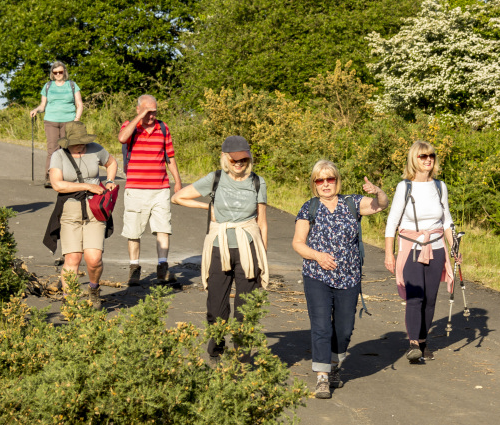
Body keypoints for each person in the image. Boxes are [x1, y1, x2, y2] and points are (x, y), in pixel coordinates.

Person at [292, 160, 388, 399]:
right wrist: (318, 256)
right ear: (314, 184)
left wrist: (378, 192)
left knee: (344, 329)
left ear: (337, 180)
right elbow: (297, 243)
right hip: (317, 275)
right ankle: (322, 377)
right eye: (320, 180)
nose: (325, 184)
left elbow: (380, 206)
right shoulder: (309, 207)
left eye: (330, 179)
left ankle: (335, 365)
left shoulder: (351, 203)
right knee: (322, 326)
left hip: (349, 276)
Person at [171, 136, 269, 359]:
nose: (239, 163)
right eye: (234, 160)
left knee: (247, 305)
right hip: (219, 245)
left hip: (248, 245)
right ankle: (217, 343)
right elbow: (178, 198)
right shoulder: (215, 179)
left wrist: (262, 255)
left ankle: (242, 352)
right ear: (225, 158)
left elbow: (262, 222)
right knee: (216, 305)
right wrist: (207, 206)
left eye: (243, 159)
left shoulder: (257, 182)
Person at [384, 141, 455, 364]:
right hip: (411, 248)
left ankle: (423, 342)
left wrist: (454, 248)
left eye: (431, 156)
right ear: (414, 159)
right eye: (423, 156)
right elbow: (392, 222)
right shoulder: (404, 187)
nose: (428, 160)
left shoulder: (439, 187)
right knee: (416, 297)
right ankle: (414, 344)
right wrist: (389, 253)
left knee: (431, 299)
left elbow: (447, 220)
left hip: (436, 248)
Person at [42, 121, 117, 309]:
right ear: (67, 141)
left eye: (83, 141)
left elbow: (112, 162)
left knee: (94, 259)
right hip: (70, 209)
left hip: (95, 209)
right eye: (77, 142)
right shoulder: (58, 156)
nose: (81, 145)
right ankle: (70, 301)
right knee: (72, 258)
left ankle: (93, 290)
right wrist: (87, 186)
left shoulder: (96, 149)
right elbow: (57, 184)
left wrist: (109, 180)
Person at [117, 94, 182, 288]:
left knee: (163, 228)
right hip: (135, 188)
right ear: (138, 110)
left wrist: (177, 181)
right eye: (148, 111)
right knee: (134, 230)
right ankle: (134, 268)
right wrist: (140, 117)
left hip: (160, 188)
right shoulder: (130, 126)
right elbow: (122, 138)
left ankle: (162, 267)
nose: (152, 116)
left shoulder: (163, 128)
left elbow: (170, 156)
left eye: (154, 112)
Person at [29, 61, 84, 188]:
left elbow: (79, 104)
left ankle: (68, 176)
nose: (58, 74)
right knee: (53, 149)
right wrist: (36, 110)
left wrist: (77, 119)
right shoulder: (48, 86)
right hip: (51, 121)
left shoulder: (72, 85)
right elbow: (43, 105)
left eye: (60, 72)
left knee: (66, 148)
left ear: (64, 72)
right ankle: (50, 177)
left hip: (69, 120)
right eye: (55, 72)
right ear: (52, 74)